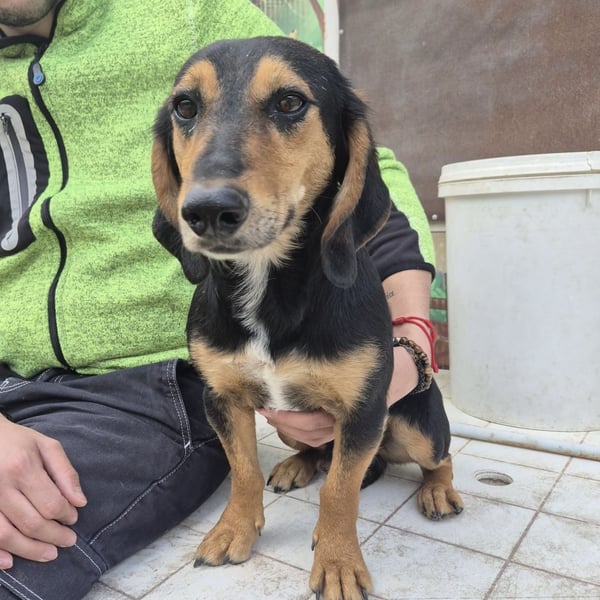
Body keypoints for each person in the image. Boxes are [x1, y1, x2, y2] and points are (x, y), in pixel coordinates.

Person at [0, 1, 438, 598]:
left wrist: (412, 336)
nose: (205, 196)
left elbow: (366, 170)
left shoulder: (189, 9)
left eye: (287, 106)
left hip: (132, 391)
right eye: (188, 109)